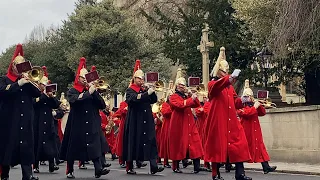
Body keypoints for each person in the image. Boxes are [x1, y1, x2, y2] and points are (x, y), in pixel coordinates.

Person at [204, 47, 252, 180]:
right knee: (217, 147)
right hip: (218, 120)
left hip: (231, 120)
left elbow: (235, 101)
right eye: (225, 71)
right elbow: (217, 87)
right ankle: (215, 173)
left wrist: (243, 100)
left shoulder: (229, 87)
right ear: (219, 71)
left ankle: (240, 173)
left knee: (240, 144)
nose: (227, 73)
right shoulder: (212, 84)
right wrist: (229, 79)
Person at [59, 57, 110, 178]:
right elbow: (75, 101)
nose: (85, 80)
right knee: (73, 147)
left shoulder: (92, 91)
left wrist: (95, 92)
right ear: (78, 78)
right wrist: (89, 93)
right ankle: (70, 170)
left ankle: (98, 169)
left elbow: (102, 105)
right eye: (83, 78)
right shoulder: (72, 90)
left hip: (91, 121)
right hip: (77, 122)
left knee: (95, 145)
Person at [0, 44, 41, 180]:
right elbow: (3, 92)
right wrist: (19, 83)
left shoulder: (27, 80)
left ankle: (27, 175)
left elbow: (36, 93)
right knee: (8, 147)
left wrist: (28, 81)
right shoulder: (5, 79)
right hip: (10, 119)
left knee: (26, 147)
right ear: (13, 66)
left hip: (26, 119)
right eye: (18, 65)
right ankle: (4, 174)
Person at [122, 60, 164, 175]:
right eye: (139, 79)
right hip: (135, 120)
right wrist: (146, 93)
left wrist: (151, 91)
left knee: (151, 141)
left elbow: (153, 100)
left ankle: (154, 166)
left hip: (147, 119)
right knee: (133, 141)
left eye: (142, 79)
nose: (141, 81)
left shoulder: (144, 89)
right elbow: (133, 99)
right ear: (135, 79)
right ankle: (129, 166)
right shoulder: (130, 90)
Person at [237, 79, 277, 174]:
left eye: (251, 96)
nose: (250, 98)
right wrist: (255, 106)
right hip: (246, 132)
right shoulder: (240, 107)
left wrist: (260, 105)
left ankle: (266, 167)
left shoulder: (253, 106)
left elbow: (262, 113)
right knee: (243, 150)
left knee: (260, 148)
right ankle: (235, 166)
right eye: (248, 96)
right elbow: (247, 114)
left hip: (255, 130)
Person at [168, 73, 203, 173]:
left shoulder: (186, 96)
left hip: (189, 121)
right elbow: (179, 105)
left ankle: (197, 166)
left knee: (194, 142)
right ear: (178, 86)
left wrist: (193, 95)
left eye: (184, 85)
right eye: (181, 85)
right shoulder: (174, 96)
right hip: (178, 122)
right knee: (178, 144)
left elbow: (196, 104)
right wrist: (189, 99)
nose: (183, 87)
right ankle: (175, 166)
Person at [33, 66, 60, 173]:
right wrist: (44, 95)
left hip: (48, 123)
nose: (44, 87)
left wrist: (51, 96)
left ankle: (52, 165)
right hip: (37, 122)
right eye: (43, 85)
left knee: (51, 144)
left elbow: (56, 104)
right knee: (37, 144)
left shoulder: (49, 95)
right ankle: (35, 166)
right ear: (39, 84)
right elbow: (34, 103)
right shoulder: (35, 93)